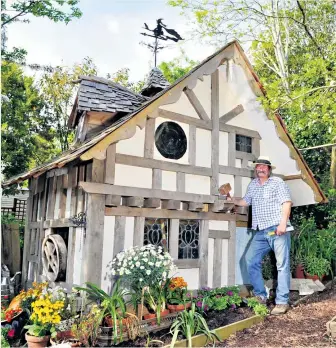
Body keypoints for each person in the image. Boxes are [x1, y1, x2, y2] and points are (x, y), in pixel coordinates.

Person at [232, 156, 292, 315]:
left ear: (269, 169)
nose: (261, 169)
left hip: (277, 229)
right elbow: (245, 201)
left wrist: (283, 224)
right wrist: (232, 199)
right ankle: (260, 295)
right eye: (258, 166)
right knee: (250, 260)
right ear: (255, 168)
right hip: (261, 231)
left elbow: (286, 202)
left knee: (282, 265)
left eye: (264, 166)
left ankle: (282, 301)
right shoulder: (253, 185)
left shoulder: (277, 183)